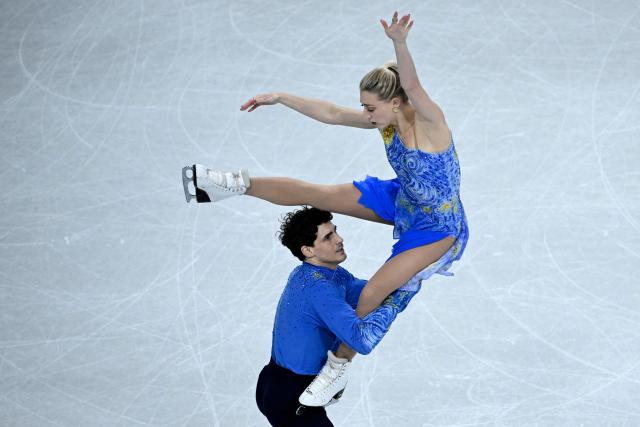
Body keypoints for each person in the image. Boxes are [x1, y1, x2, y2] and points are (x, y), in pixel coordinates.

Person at [182, 11, 468, 407]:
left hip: (437, 227)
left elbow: (415, 87)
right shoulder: (384, 123)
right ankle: (228, 185)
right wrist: (281, 97)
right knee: (319, 195)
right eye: (364, 107)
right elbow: (332, 114)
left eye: (370, 107)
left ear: (396, 102)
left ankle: (336, 368)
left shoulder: (430, 124)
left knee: (372, 295)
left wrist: (399, 44)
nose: (365, 115)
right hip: (404, 199)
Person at [255, 206, 418, 426]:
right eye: (328, 237)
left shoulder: (330, 274)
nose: (339, 239)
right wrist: (400, 299)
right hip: (290, 398)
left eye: (336, 231)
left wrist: (414, 268)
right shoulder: (318, 287)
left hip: (280, 384)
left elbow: (371, 292)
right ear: (308, 250)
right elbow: (361, 339)